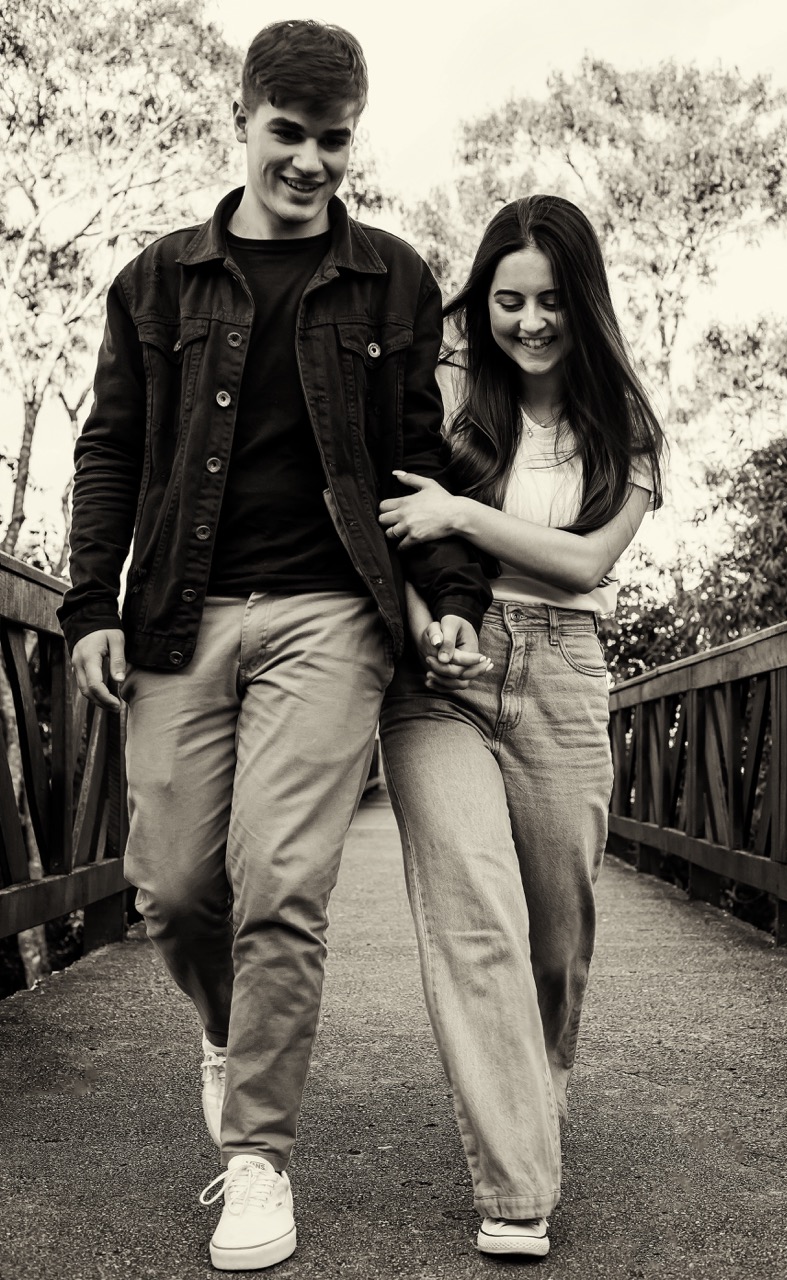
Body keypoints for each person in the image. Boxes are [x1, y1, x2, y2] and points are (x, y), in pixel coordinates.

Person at [58, 19, 491, 1272]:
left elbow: (419, 456)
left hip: (331, 612)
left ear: (356, 136)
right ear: (241, 118)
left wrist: (448, 593)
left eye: (333, 139)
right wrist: (90, 604)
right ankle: (227, 1027)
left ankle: (257, 1157)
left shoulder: (391, 278)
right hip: (179, 610)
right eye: (287, 133)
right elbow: (110, 447)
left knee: (281, 881)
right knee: (173, 885)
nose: (309, 160)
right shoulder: (156, 280)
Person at [377, 194, 664, 1259]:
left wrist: (461, 511)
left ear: (582, 302)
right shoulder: (445, 388)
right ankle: (515, 1186)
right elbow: (391, 526)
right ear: (480, 300)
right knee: (476, 915)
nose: (529, 322)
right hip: (439, 672)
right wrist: (428, 628)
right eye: (507, 301)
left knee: (555, 937)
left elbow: (583, 563)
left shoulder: (626, 426)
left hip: (565, 670)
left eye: (550, 301)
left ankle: (535, 1105)